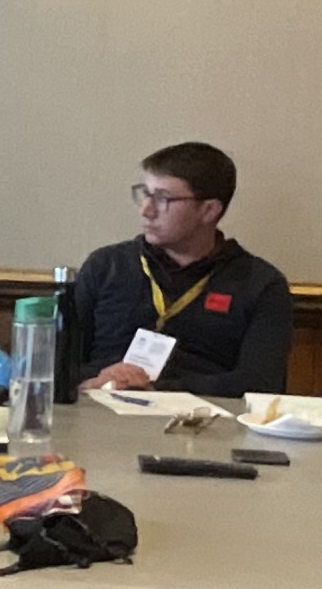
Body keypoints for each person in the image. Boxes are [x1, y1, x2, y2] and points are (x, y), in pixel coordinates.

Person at [63, 143, 295, 398]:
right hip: (98, 407)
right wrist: (96, 380)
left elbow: (261, 384)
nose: (146, 210)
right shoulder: (106, 266)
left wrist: (156, 390)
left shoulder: (260, 284)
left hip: (202, 417)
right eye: (145, 193)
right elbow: (57, 363)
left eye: (163, 198)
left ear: (209, 210)